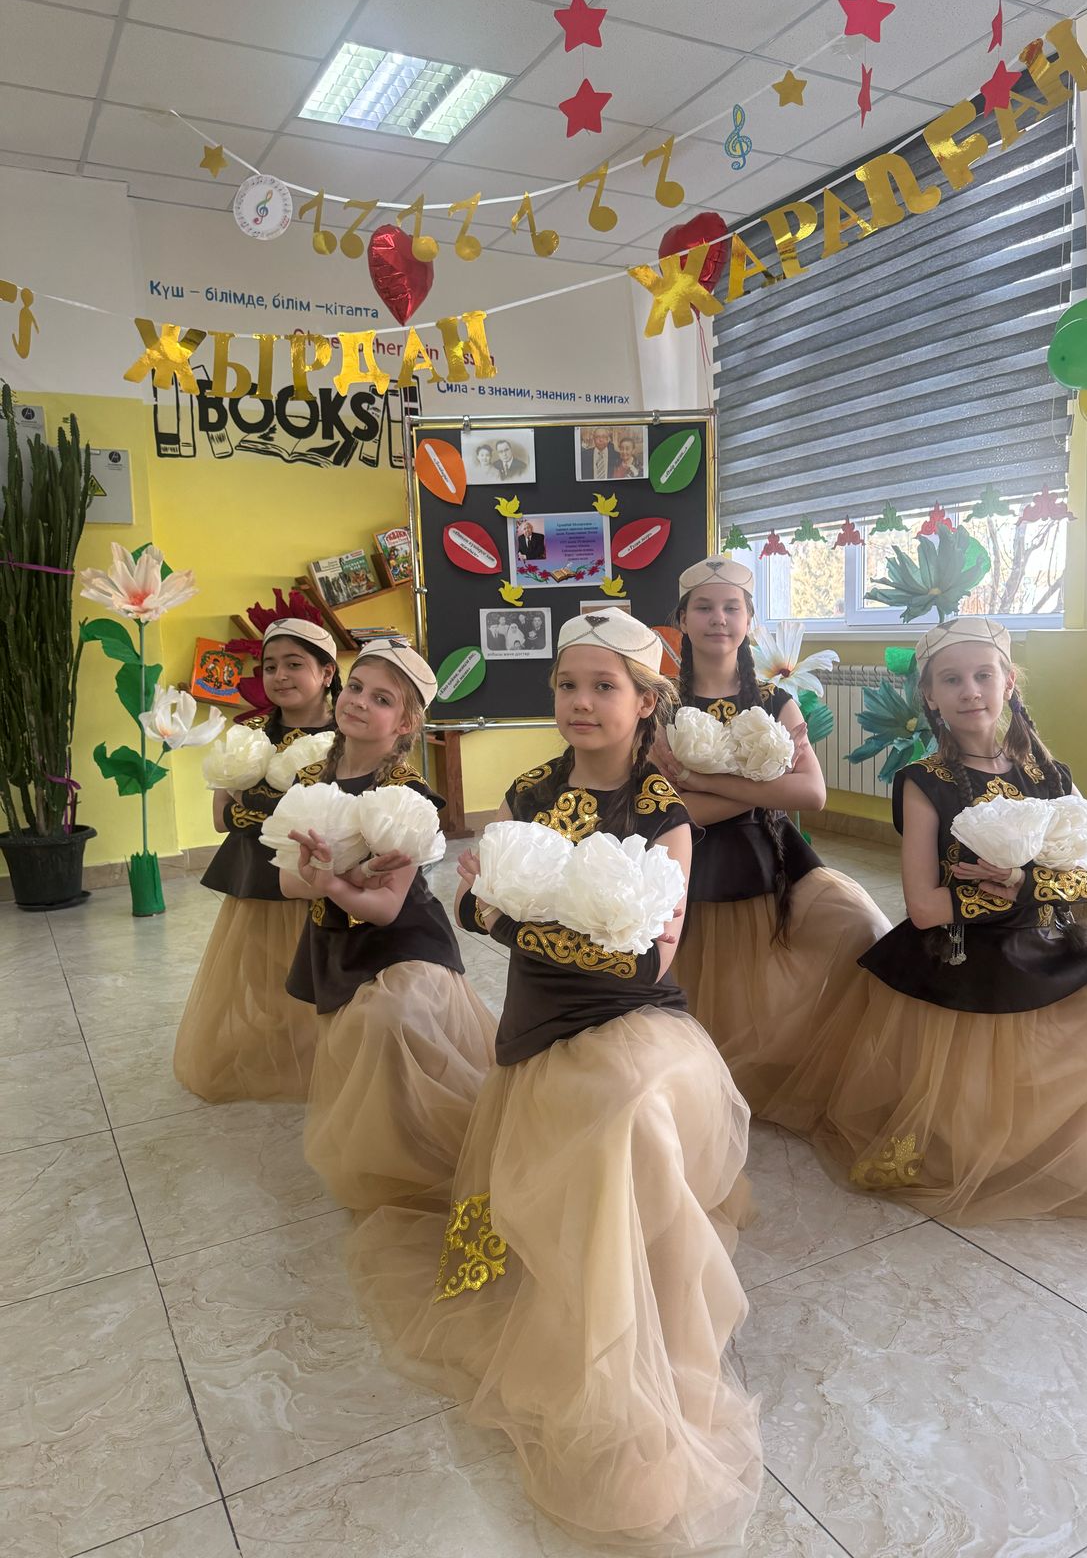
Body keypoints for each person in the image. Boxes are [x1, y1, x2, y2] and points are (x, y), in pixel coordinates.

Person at [347, 609, 761, 1554]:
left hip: (635, 1021)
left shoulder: (663, 812)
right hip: (540, 1025)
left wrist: (513, 919)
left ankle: (635, 1325)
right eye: (568, 685)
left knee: (627, 1113)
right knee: (583, 1129)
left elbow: (647, 962)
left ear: (645, 702)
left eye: (604, 686)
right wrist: (508, 916)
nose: (581, 702)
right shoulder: (530, 790)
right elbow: (470, 900)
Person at [809, 614, 1087, 1223]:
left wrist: (1030, 885)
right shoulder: (923, 782)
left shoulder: (1050, 776)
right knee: (968, 1131)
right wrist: (1015, 893)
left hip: (1049, 948)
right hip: (968, 963)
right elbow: (925, 907)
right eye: (951, 679)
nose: (970, 691)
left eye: (983, 675)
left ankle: (1086, 1134)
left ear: (1008, 682)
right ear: (930, 697)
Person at [655, 557, 890, 1128]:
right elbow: (671, 810)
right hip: (694, 857)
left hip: (771, 852)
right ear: (683, 619)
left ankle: (803, 1059)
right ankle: (710, 1083)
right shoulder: (659, 705)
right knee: (716, 983)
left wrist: (706, 782)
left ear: (750, 621)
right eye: (703, 608)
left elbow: (812, 793)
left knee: (861, 924)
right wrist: (761, 789)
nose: (718, 619)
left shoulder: (776, 701)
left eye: (731, 608)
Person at [281, 639, 496, 1212]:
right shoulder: (310, 778)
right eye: (355, 687)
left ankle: (441, 1156)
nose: (358, 701)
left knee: (394, 1023)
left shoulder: (405, 795)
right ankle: (391, 1150)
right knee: (362, 1053)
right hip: (335, 938)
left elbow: (385, 907)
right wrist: (330, 878)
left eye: (381, 699)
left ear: (404, 724)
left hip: (402, 939)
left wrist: (331, 881)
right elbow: (287, 881)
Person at [174, 617, 339, 1103]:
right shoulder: (248, 733)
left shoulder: (346, 736)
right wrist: (274, 811)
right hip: (256, 876)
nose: (280, 675)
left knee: (322, 970)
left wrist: (254, 806)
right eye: (270, 666)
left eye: (294, 664)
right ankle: (286, 1055)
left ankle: (328, 1057)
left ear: (327, 672)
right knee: (265, 974)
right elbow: (220, 817)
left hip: (318, 879)